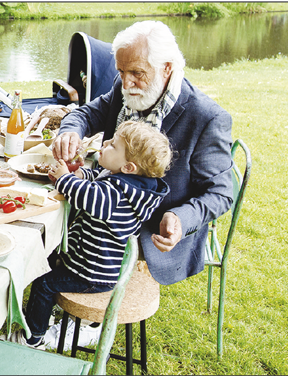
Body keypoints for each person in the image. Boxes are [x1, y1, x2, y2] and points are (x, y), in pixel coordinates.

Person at [52, 20, 234, 286]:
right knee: (52, 219)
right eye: (121, 71)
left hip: (151, 228)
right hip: (107, 198)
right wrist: (70, 131)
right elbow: (87, 114)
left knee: (68, 222)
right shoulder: (123, 84)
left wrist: (181, 218)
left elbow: (221, 193)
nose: (126, 83)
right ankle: (61, 288)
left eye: (137, 72)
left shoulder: (206, 117)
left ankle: (78, 298)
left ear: (167, 68)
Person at [12, 120, 172, 349]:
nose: (105, 143)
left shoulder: (117, 196)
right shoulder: (128, 183)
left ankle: (33, 337)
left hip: (92, 272)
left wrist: (65, 179)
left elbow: (90, 197)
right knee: (43, 259)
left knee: (43, 282)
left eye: (113, 145)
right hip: (93, 262)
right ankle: (40, 313)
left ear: (128, 167)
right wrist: (79, 174)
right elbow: (99, 177)